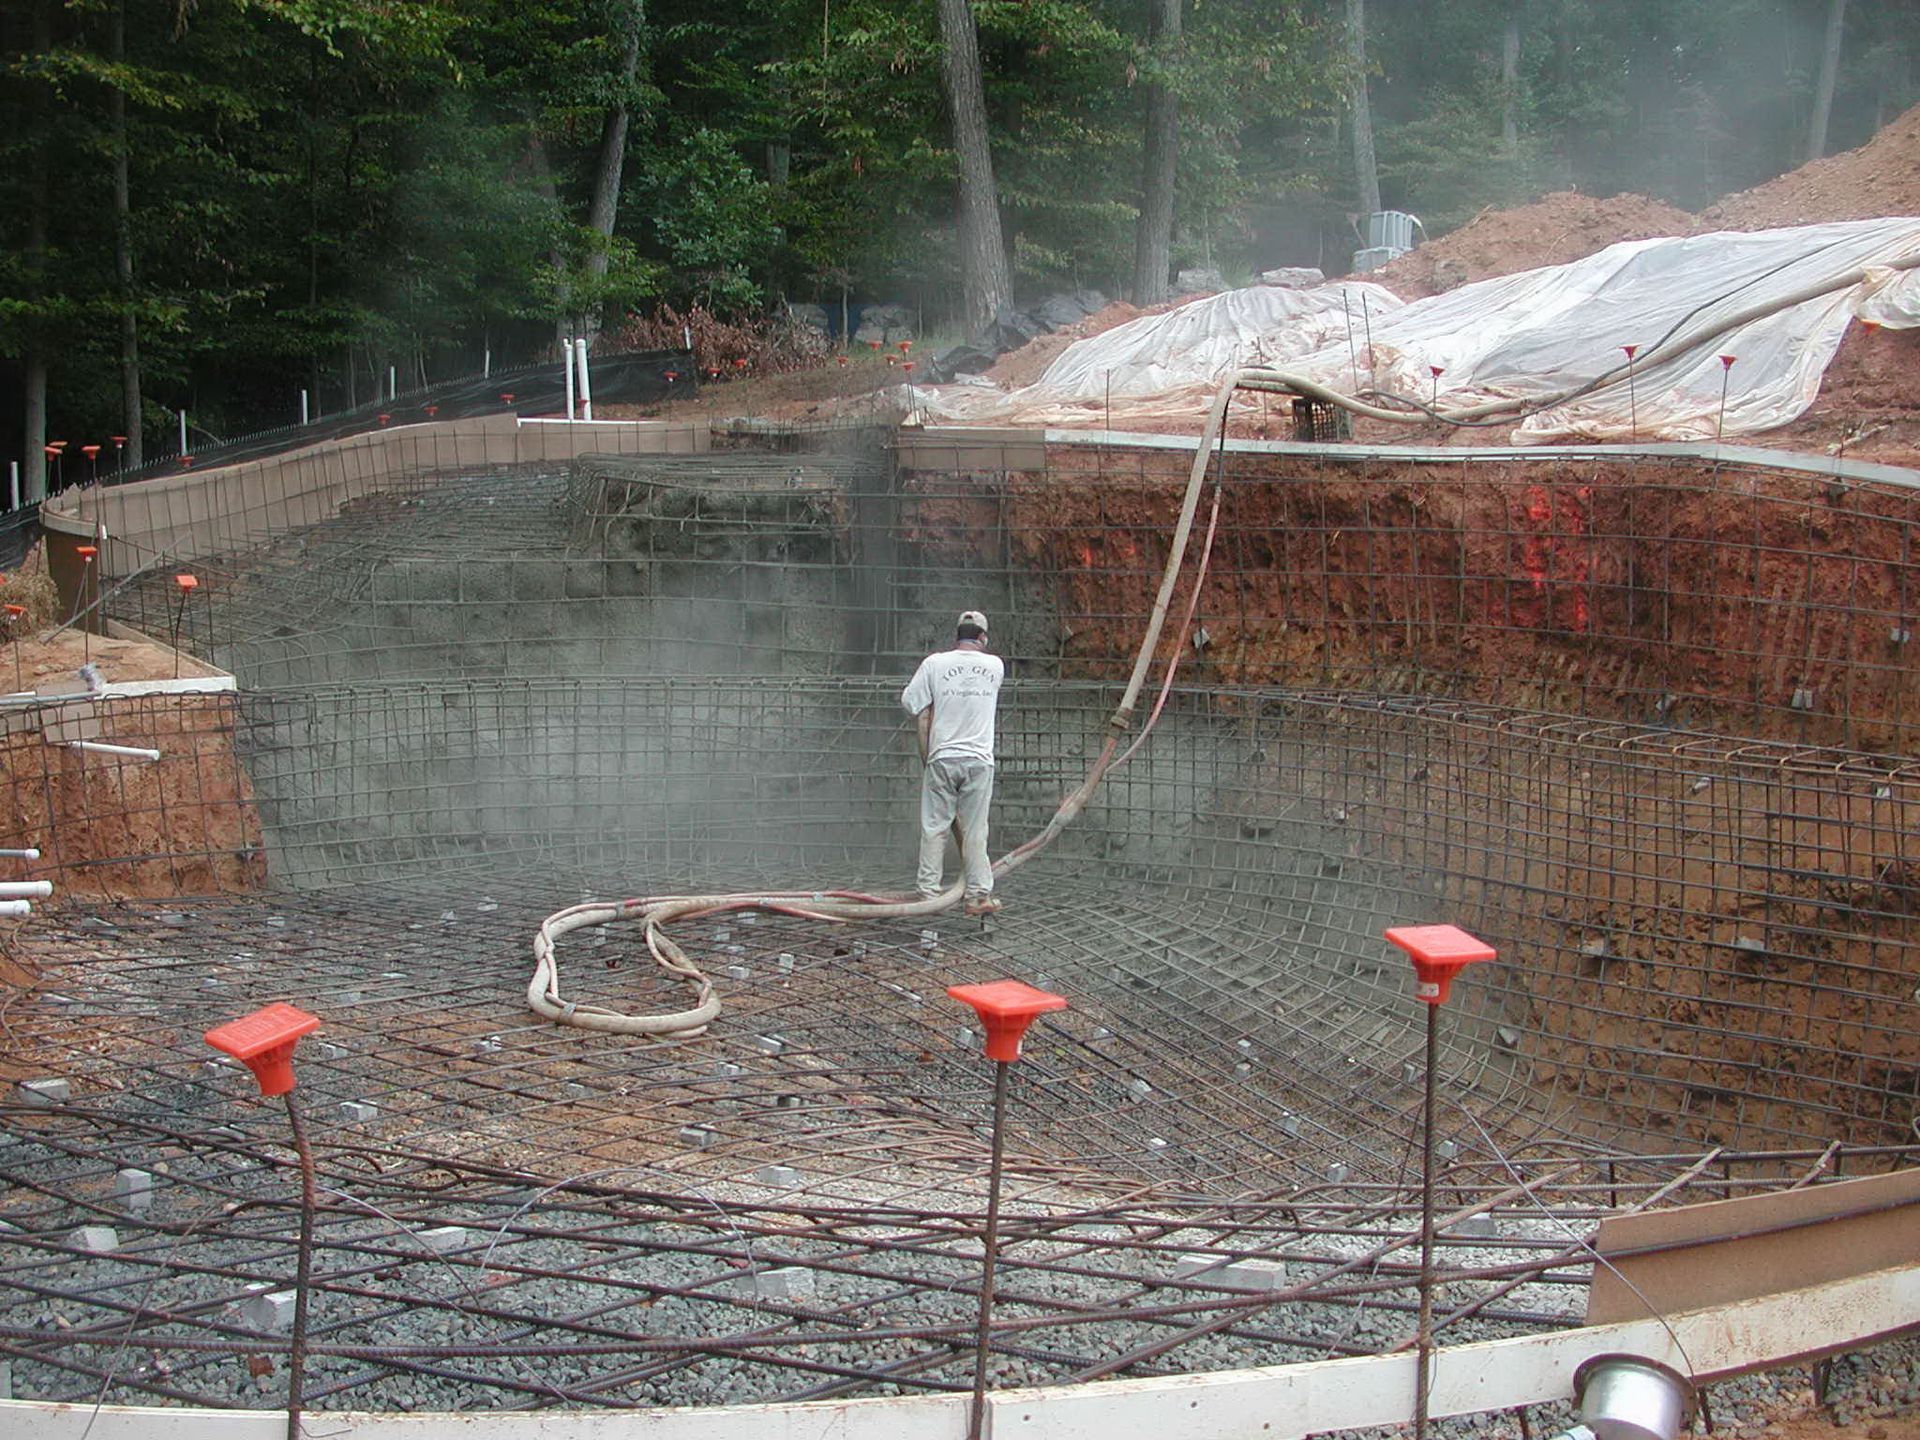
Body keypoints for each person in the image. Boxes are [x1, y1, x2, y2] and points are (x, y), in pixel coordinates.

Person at [901, 609, 1004, 915]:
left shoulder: (935, 663)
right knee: (975, 831)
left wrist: (935, 699)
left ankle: (928, 894)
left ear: (957, 635)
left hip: (942, 757)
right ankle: (978, 895)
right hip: (979, 760)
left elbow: (910, 702)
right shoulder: (996, 666)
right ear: (983, 637)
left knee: (935, 828)